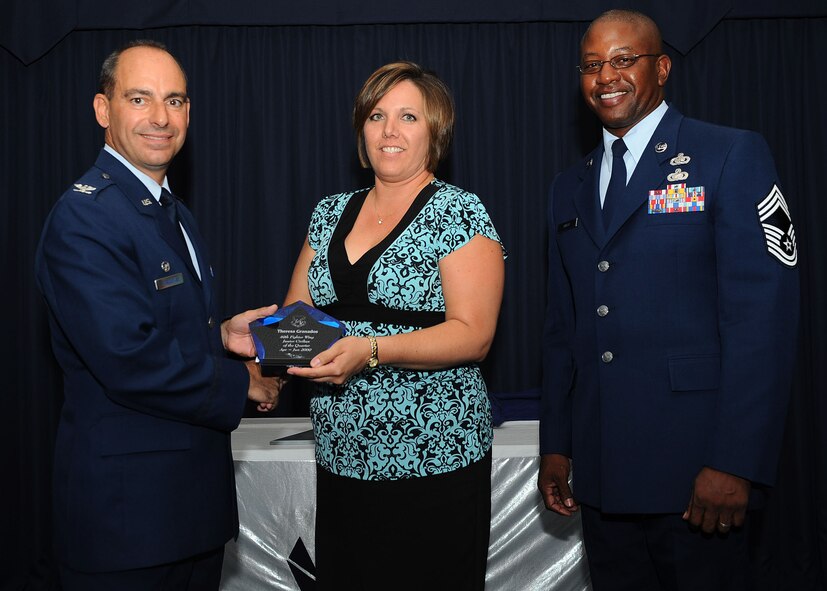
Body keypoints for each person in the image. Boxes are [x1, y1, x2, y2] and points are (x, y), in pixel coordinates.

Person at [538, 9, 799, 591]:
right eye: (591, 65)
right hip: (603, 474)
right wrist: (557, 443)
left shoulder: (729, 155)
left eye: (624, 60)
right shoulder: (568, 187)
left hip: (697, 475)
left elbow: (764, 323)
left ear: (661, 68)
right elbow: (563, 326)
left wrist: (736, 461)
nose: (606, 76)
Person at [35, 40, 280, 590]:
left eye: (175, 100)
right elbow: (128, 357)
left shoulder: (171, 210)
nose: (160, 118)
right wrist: (241, 381)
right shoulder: (85, 218)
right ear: (103, 109)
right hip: (127, 523)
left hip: (187, 512)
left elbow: (157, 326)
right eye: (139, 99)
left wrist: (219, 335)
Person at [283, 61, 505, 589]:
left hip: (435, 457)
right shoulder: (330, 212)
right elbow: (297, 321)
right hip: (342, 454)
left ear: (435, 130)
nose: (389, 130)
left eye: (408, 116)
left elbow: (475, 334)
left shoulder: (460, 212)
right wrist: (261, 346)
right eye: (377, 115)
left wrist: (372, 350)